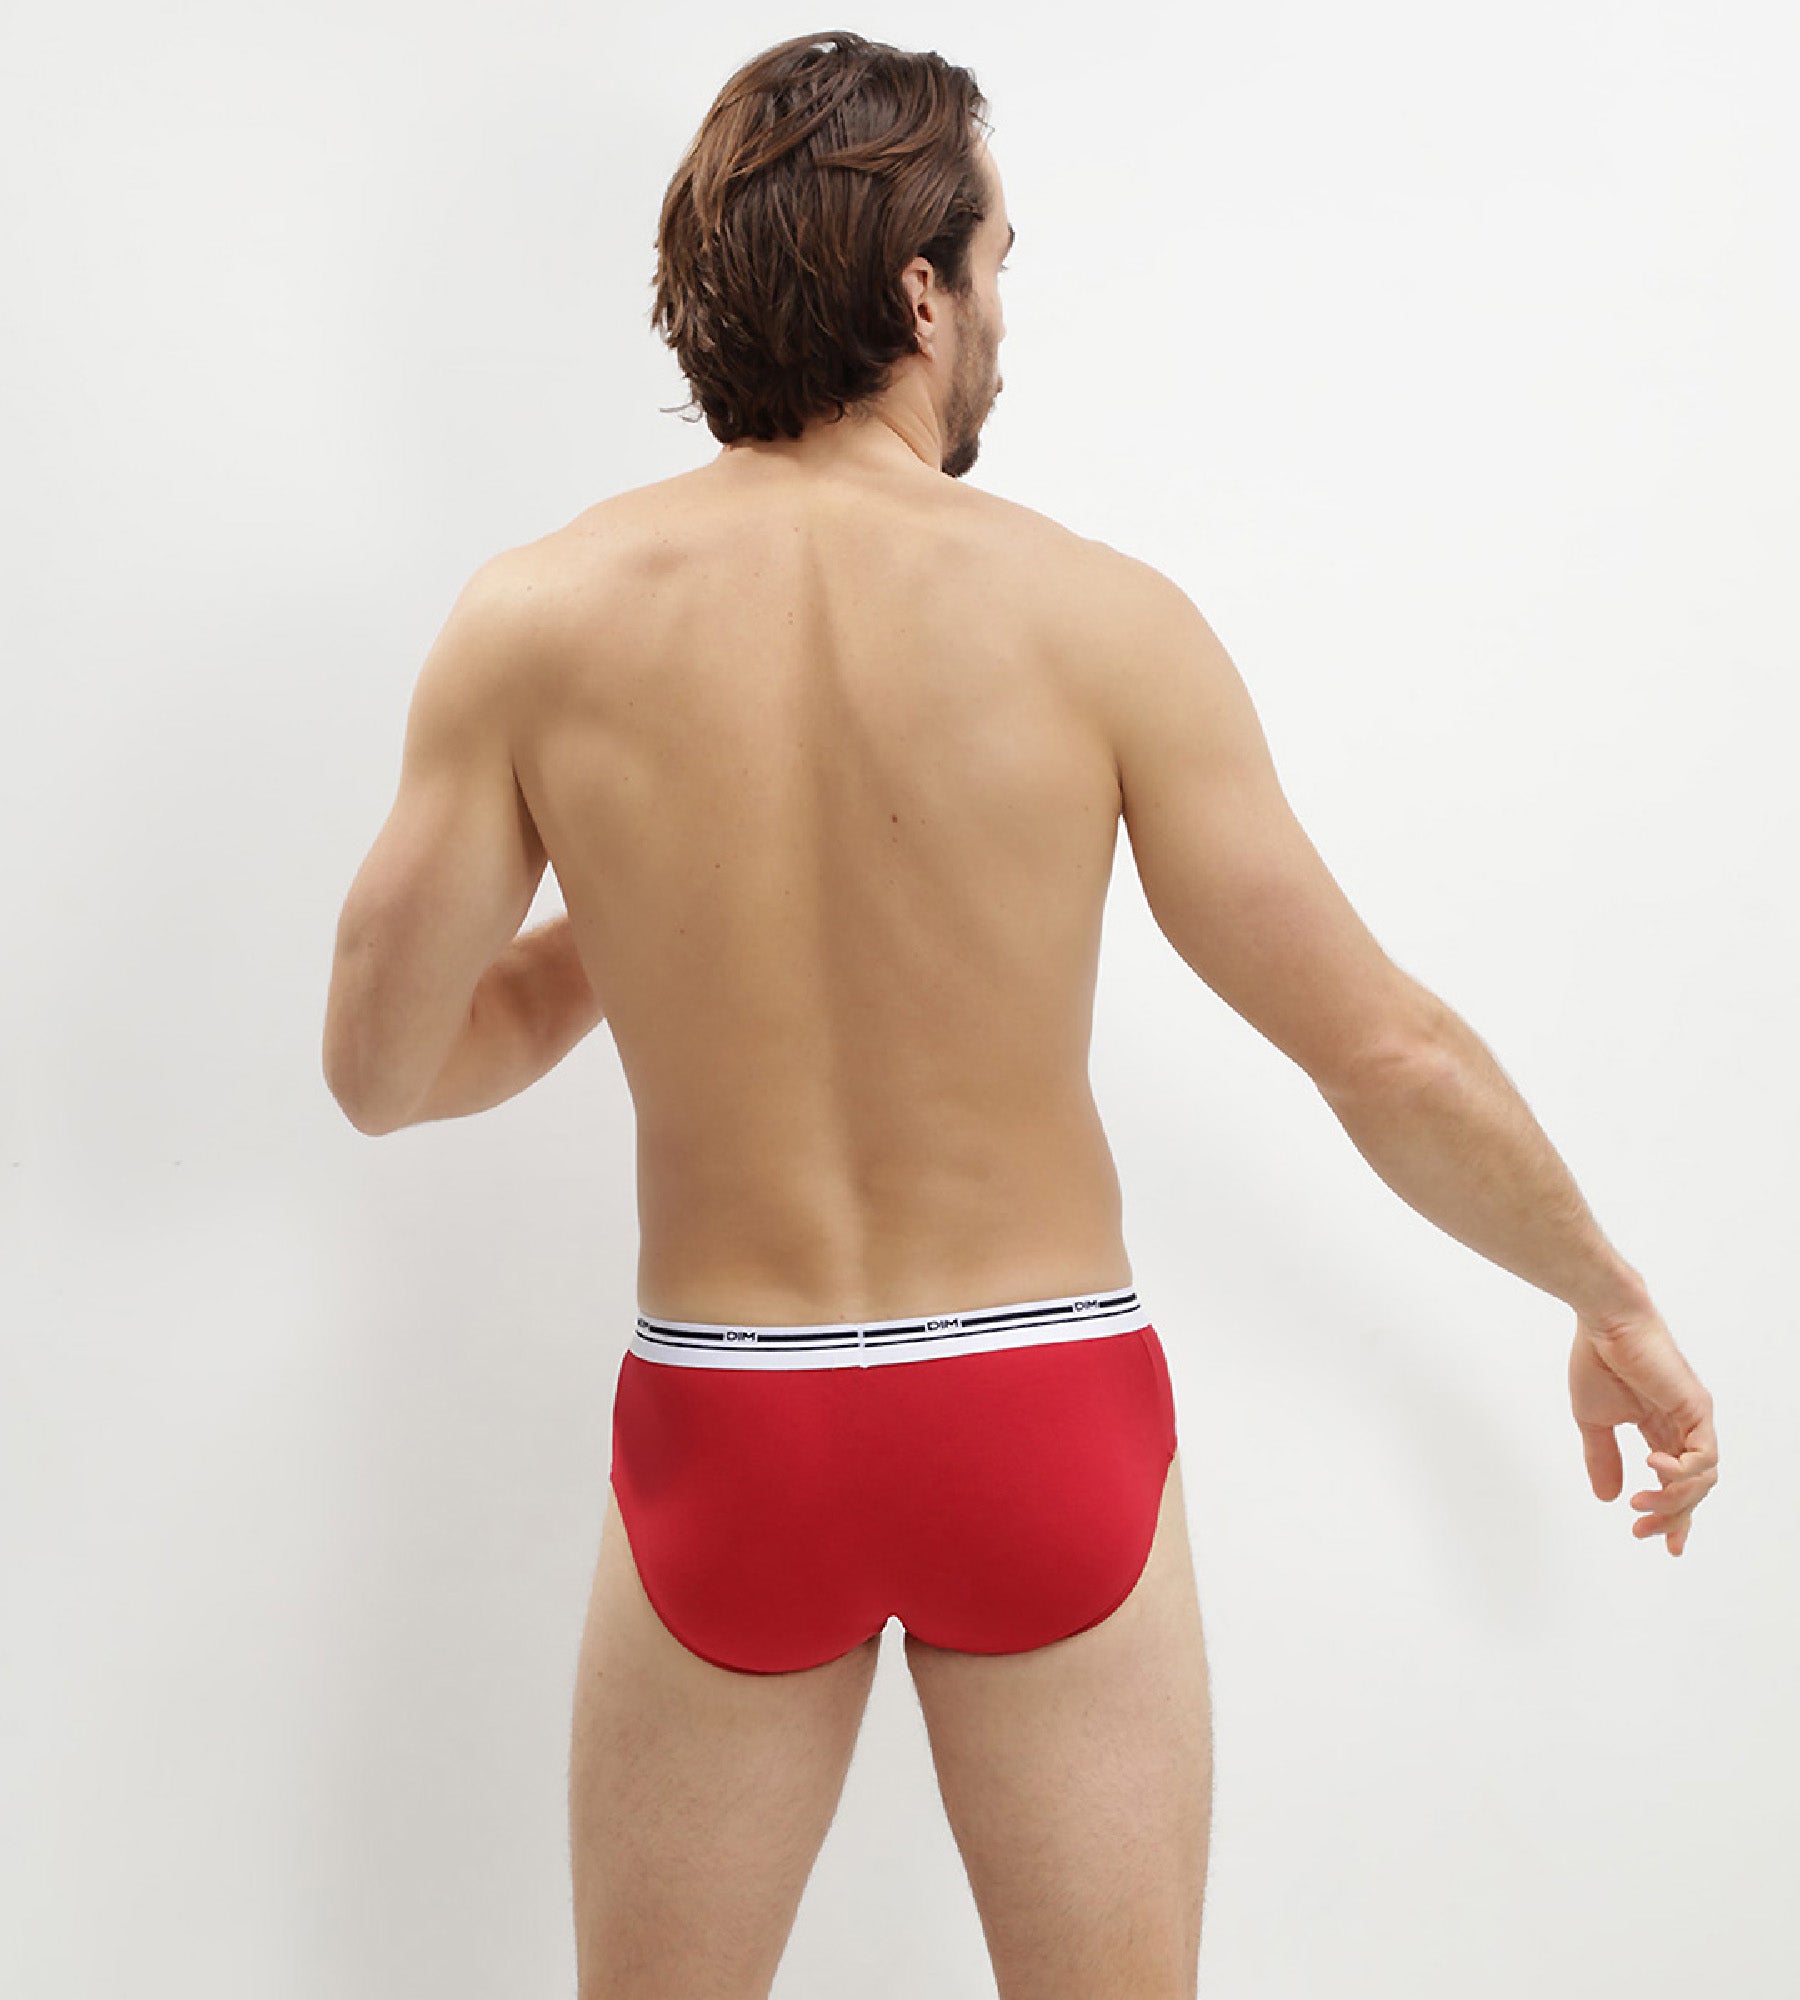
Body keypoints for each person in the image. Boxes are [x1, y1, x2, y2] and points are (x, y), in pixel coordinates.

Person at [321, 30, 1719, 2000]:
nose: (1002, 316)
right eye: (995, 266)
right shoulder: (1098, 620)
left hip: (735, 1419)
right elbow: (1383, 1050)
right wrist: (1605, 1293)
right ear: (921, 291)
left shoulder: (534, 622)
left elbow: (381, 1071)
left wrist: (607, 938)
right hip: (1033, 1403)